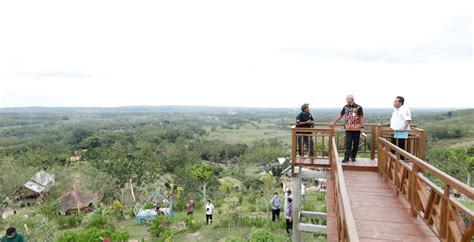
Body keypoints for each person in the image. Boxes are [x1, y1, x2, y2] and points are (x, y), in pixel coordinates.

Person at [331, 95, 364, 162]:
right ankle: (346, 158)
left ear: (351, 99)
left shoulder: (359, 107)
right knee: (348, 143)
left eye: (347, 99)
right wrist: (334, 122)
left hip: (357, 129)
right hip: (348, 128)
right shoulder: (345, 107)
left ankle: (353, 156)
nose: (346, 100)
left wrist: (362, 127)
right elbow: (340, 115)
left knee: (356, 144)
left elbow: (361, 117)